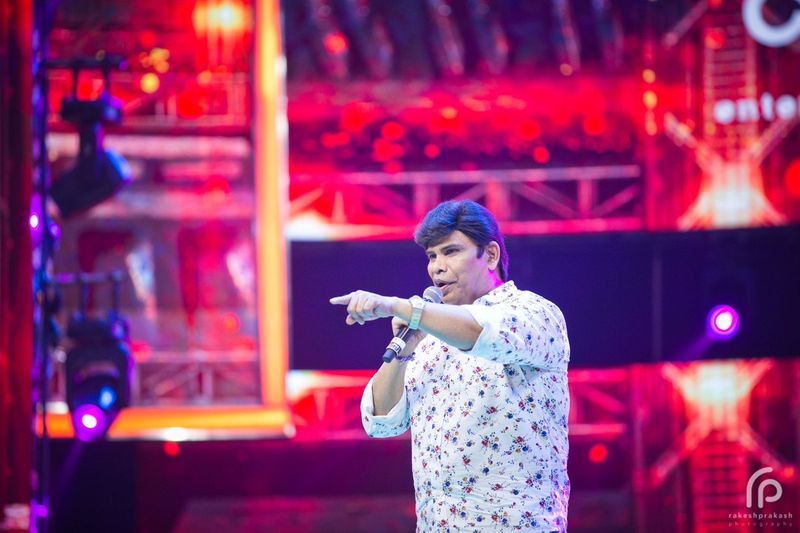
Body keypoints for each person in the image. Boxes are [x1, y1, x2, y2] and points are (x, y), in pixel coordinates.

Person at [330, 200, 570, 532]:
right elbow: (381, 423)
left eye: (451, 252)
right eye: (432, 256)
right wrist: (404, 353)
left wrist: (399, 307)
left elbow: (480, 331)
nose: (437, 268)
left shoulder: (533, 313)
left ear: (490, 255)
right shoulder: (428, 338)